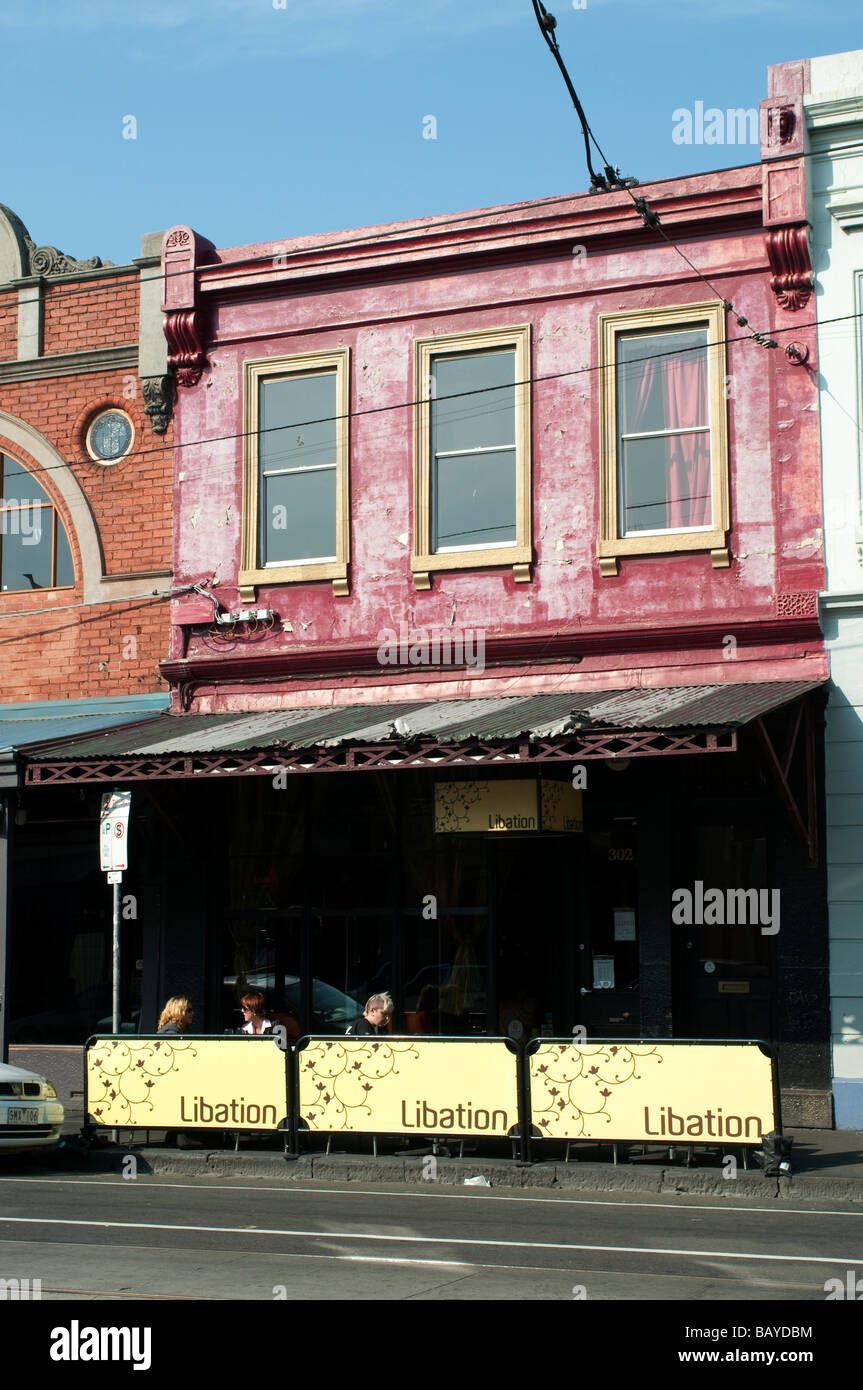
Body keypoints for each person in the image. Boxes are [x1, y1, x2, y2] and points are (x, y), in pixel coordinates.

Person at [156, 995, 201, 1148]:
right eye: (188, 1010)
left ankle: (176, 1134)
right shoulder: (172, 1034)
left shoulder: (176, 1031)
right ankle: (182, 1135)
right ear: (178, 1012)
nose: (192, 1013)